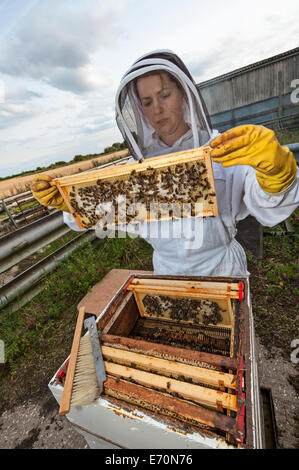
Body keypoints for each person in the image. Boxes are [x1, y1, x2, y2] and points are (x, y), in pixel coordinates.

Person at [31, 50, 299, 277]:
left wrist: (278, 174)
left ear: (183, 95)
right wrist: (70, 202)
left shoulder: (221, 148)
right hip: (167, 275)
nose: (156, 109)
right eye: (146, 102)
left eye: (164, 95)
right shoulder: (136, 168)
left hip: (222, 270)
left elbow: (268, 207)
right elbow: (105, 211)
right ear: (139, 111)